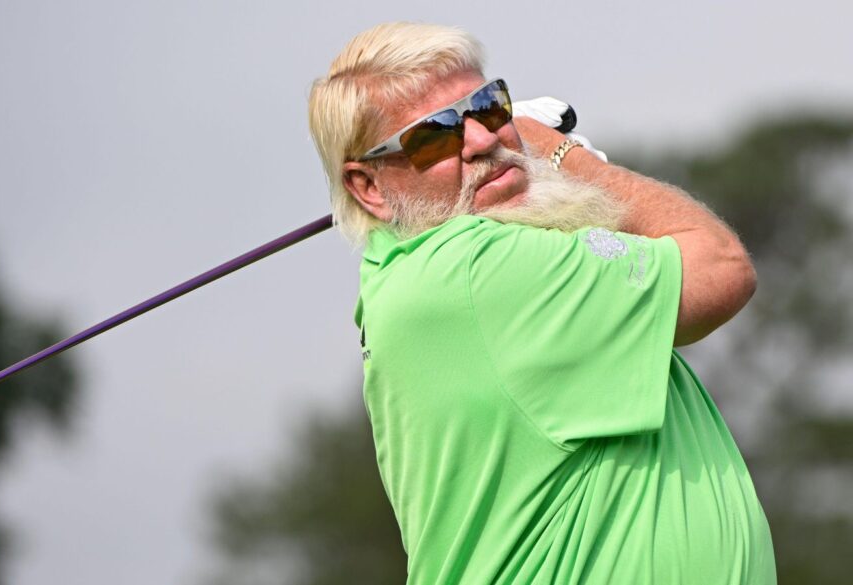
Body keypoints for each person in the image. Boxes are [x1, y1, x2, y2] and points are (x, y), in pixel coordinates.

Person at [308, 22, 775, 584]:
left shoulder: (425, 275)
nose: (481, 140)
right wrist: (562, 154)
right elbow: (721, 267)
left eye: (488, 106)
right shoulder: (474, 269)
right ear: (370, 188)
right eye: (433, 135)